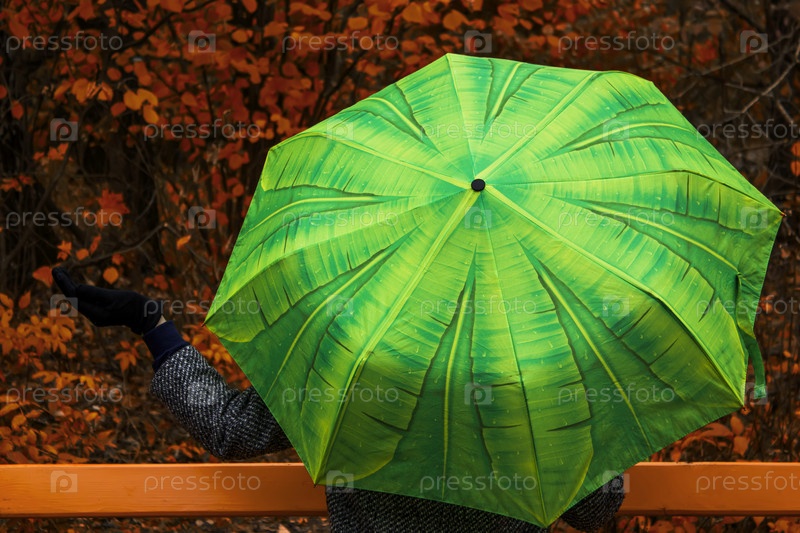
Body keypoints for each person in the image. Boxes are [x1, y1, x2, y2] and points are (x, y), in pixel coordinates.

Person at [52, 267, 626, 532]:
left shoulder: (356, 359)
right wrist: (607, 419)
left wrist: (151, 324)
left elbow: (227, 427)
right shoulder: (540, 373)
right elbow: (595, 510)